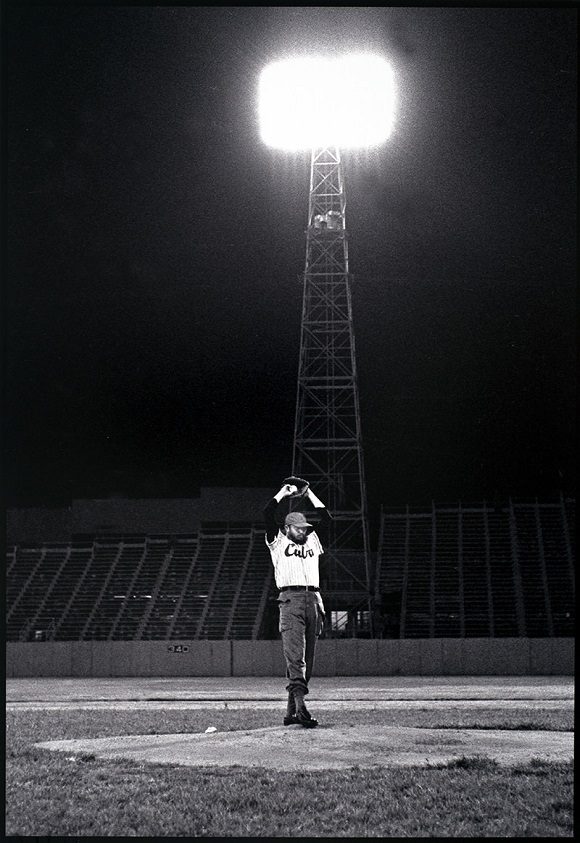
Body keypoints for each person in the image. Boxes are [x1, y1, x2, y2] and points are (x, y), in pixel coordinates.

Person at [263, 477, 331, 728]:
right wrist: (283, 492)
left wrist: (309, 493)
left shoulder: (312, 539)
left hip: (314, 599)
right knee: (295, 658)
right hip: (290, 600)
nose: (303, 531)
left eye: (304, 527)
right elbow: (267, 513)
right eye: (298, 528)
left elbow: (327, 518)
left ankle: (291, 713)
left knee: (308, 660)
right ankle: (301, 710)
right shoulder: (277, 541)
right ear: (288, 527)